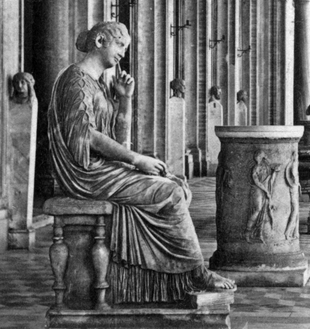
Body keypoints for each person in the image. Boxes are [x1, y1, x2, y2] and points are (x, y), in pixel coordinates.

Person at [46, 20, 234, 301]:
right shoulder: (76, 80)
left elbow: (117, 141)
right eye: (120, 45)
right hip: (85, 173)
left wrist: (125, 101)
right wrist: (137, 160)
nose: (123, 52)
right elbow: (86, 137)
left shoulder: (98, 84)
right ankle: (196, 272)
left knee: (175, 182)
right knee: (169, 193)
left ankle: (165, 280)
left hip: (102, 168)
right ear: (99, 41)